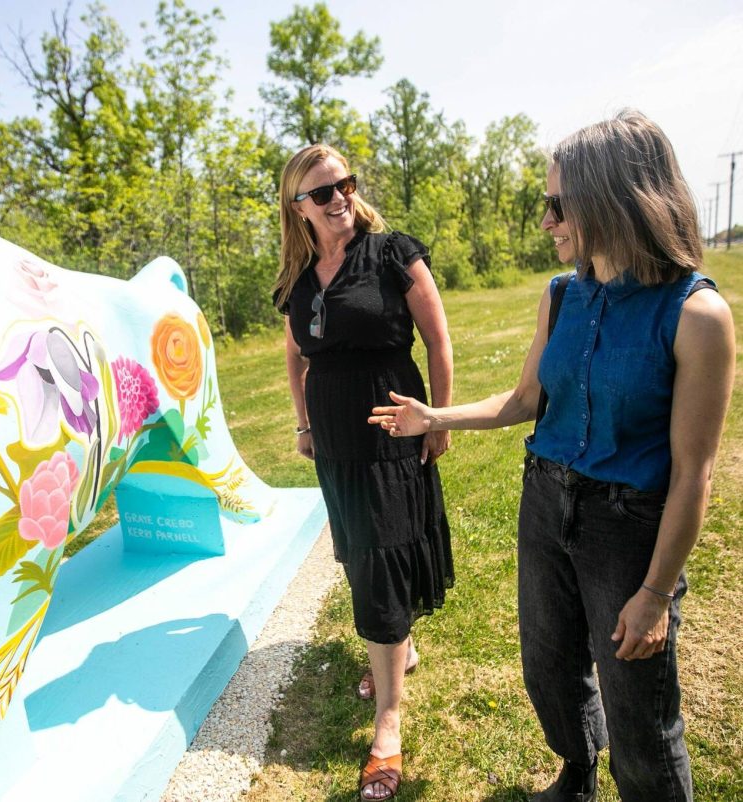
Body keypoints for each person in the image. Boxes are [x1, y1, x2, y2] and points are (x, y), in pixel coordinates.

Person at [369, 110, 735, 802]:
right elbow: (523, 400)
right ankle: (576, 771)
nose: (546, 222)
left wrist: (655, 595)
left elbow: (695, 475)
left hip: (629, 529)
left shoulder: (695, 315)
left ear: (615, 199)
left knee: (640, 714)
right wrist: (432, 418)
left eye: (557, 205)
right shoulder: (561, 296)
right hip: (545, 502)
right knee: (549, 666)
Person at [272, 143, 455, 801]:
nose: (340, 198)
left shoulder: (392, 251)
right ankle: (396, 650)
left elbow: (437, 338)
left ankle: (388, 721)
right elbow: (295, 356)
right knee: (356, 548)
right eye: (323, 192)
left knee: (382, 553)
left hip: (390, 424)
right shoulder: (299, 280)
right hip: (334, 439)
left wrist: (438, 418)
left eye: (345, 183)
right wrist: (302, 422)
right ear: (300, 208)